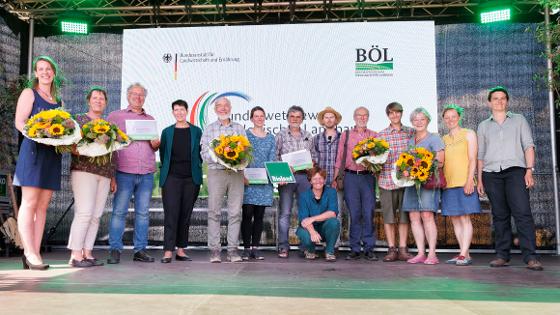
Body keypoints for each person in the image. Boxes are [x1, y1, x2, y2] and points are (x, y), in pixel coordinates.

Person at [477, 86, 543, 271]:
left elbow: (529, 146)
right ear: (489, 102)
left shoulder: (519, 120)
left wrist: (529, 170)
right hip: (491, 174)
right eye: (495, 98)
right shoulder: (483, 125)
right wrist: (480, 179)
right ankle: (502, 255)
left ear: (507, 101)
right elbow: (480, 155)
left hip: (516, 171)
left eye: (503, 98)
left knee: (522, 213)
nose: (499, 101)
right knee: (499, 215)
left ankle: (531, 257)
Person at [13, 55, 64, 270]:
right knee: (30, 203)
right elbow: (19, 122)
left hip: (51, 155)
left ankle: (34, 251)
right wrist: (38, 133)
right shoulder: (29, 93)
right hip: (33, 152)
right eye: (41, 69)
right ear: (35, 73)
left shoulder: (59, 101)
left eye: (48, 69)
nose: (45, 72)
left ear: (54, 73)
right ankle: (29, 252)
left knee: (42, 207)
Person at [106, 83, 160, 264]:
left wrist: (156, 143)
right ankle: (115, 249)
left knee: (143, 213)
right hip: (123, 171)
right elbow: (107, 143)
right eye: (134, 94)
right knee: (119, 212)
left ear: (145, 97)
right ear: (128, 96)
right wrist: (111, 174)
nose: (138, 97)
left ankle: (140, 250)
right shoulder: (115, 116)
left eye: (141, 95)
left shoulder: (150, 119)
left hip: (145, 172)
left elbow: (154, 146)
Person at [67, 86, 114, 268]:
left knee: (95, 216)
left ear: (106, 103)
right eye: (95, 98)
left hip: (104, 174)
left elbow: (113, 152)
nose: (98, 100)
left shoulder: (108, 125)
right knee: (84, 212)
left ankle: (87, 253)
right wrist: (80, 149)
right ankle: (75, 255)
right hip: (83, 170)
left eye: (102, 98)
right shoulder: (79, 120)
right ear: (89, 101)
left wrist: (113, 177)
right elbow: (70, 144)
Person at [200, 97, 247, 263]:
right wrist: (220, 157)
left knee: (235, 212)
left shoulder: (239, 128)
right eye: (219, 106)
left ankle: (233, 250)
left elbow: (246, 152)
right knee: (214, 212)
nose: (223, 108)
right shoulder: (209, 129)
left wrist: (236, 160)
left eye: (226, 105)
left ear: (230, 108)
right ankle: (214, 250)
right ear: (215, 110)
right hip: (216, 173)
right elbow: (204, 154)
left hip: (236, 174)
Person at [158, 100, 203, 263]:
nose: (179, 113)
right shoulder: (167, 132)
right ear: (172, 112)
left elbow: (200, 152)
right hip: (171, 178)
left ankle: (181, 250)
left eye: (181, 109)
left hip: (191, 178)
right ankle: (168, 251)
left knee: (185, 215)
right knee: (171, 214)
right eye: (176, 110)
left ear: (187, 111)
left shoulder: (196, 131)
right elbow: (163, 155)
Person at [333, 106, 378, 261]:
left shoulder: (374, 136)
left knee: (368, 212)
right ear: (354, 117)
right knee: (354, 214)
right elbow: (339, 158)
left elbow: (380, 158)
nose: (362, 118)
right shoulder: (345, 135)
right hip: (350, 178)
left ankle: (369, 248)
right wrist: (334, 179)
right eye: (359, 115)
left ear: (368, 117)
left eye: (365, 115)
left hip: (368, 177)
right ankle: (354, 248)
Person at [402, 107, 444, 265]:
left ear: (427, 121)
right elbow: (406, 162)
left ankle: (432, 254)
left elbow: (440, 161)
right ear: (412, 122)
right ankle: (420, 253)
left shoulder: (434, 138)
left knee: (427, 216)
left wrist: (422, 167)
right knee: (413, 217)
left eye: (422, 119)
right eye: (415, 120)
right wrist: (406, 171)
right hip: (412, 184)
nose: (419, 122)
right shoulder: (410, 141)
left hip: (428, 183)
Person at [441, 104, 481, 266]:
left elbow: (473, 159)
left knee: (465, 218)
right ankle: (464, 253)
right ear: (444, 120)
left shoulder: (469, 134)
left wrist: (470, 179)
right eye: (447, 117)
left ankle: (463, 254)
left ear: (459, 117)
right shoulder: (443, 139)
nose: (450, 120)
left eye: (453, 116)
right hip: (448, 184)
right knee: (455, 219)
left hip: (465, 182)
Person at [275, 105, 315, 258]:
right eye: (292, 116)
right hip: (286, 178)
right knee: (285, 213)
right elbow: (275, 157)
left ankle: (305, 245)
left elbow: (314, 157)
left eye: (298, 117)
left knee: (304, 212)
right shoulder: (280, 135)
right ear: (287, 118)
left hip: (304, 177)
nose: (295, 119)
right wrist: (284, 170)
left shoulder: (308, 136)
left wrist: (310, 165)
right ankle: (283, 246)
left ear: (303, 119)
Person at [377, 102, 415, 262]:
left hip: (406, 182)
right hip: (386, 181)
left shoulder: (411, 133)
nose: (394, 115)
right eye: (391, 113)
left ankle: (403, 248)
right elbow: (377, 159)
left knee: (405, 217)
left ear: (401, 114)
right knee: (389, 217)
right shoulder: (381, 135)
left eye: (397, 112)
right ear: (388, 115)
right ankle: (391, 249)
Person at [241, 106, 275, 260]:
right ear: (251, 118)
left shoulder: (271, 137)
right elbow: (240, 157)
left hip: (264, 182)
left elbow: (272, 159)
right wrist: (241, 175)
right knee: (247, 214)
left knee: (260, 216)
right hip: (247, 180)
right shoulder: (245, 135)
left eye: (262, 116)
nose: (259, 118)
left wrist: (276, 176)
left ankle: (255, 248)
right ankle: (246, 248)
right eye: (256, 116)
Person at [311, 107, 344, 246]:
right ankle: (319, 242)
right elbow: (313, 161)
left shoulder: (343, 138)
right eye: (326, 117)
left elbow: (344, 160)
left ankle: (333, 244)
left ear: (335, 120)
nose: (329, 119)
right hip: (320, 184)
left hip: (337, 182)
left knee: (337, 213)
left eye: (332, 117)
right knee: (321, 212)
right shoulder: (316, 139)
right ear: (322, 121)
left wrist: (337, 179)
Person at [296, 167, 340, 262]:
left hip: (325, 227)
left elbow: (332, 213)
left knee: (334, 222)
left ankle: (329, 251)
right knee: (304, 233)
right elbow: (304, 220)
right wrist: (312, 232)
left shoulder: (331, 192)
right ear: (310, 181)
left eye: (320, 178)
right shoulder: (304, 195)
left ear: (324, 180)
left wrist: (313, 218)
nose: (318, 181)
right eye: (314, 179)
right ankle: (310, 250)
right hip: (309, 228)